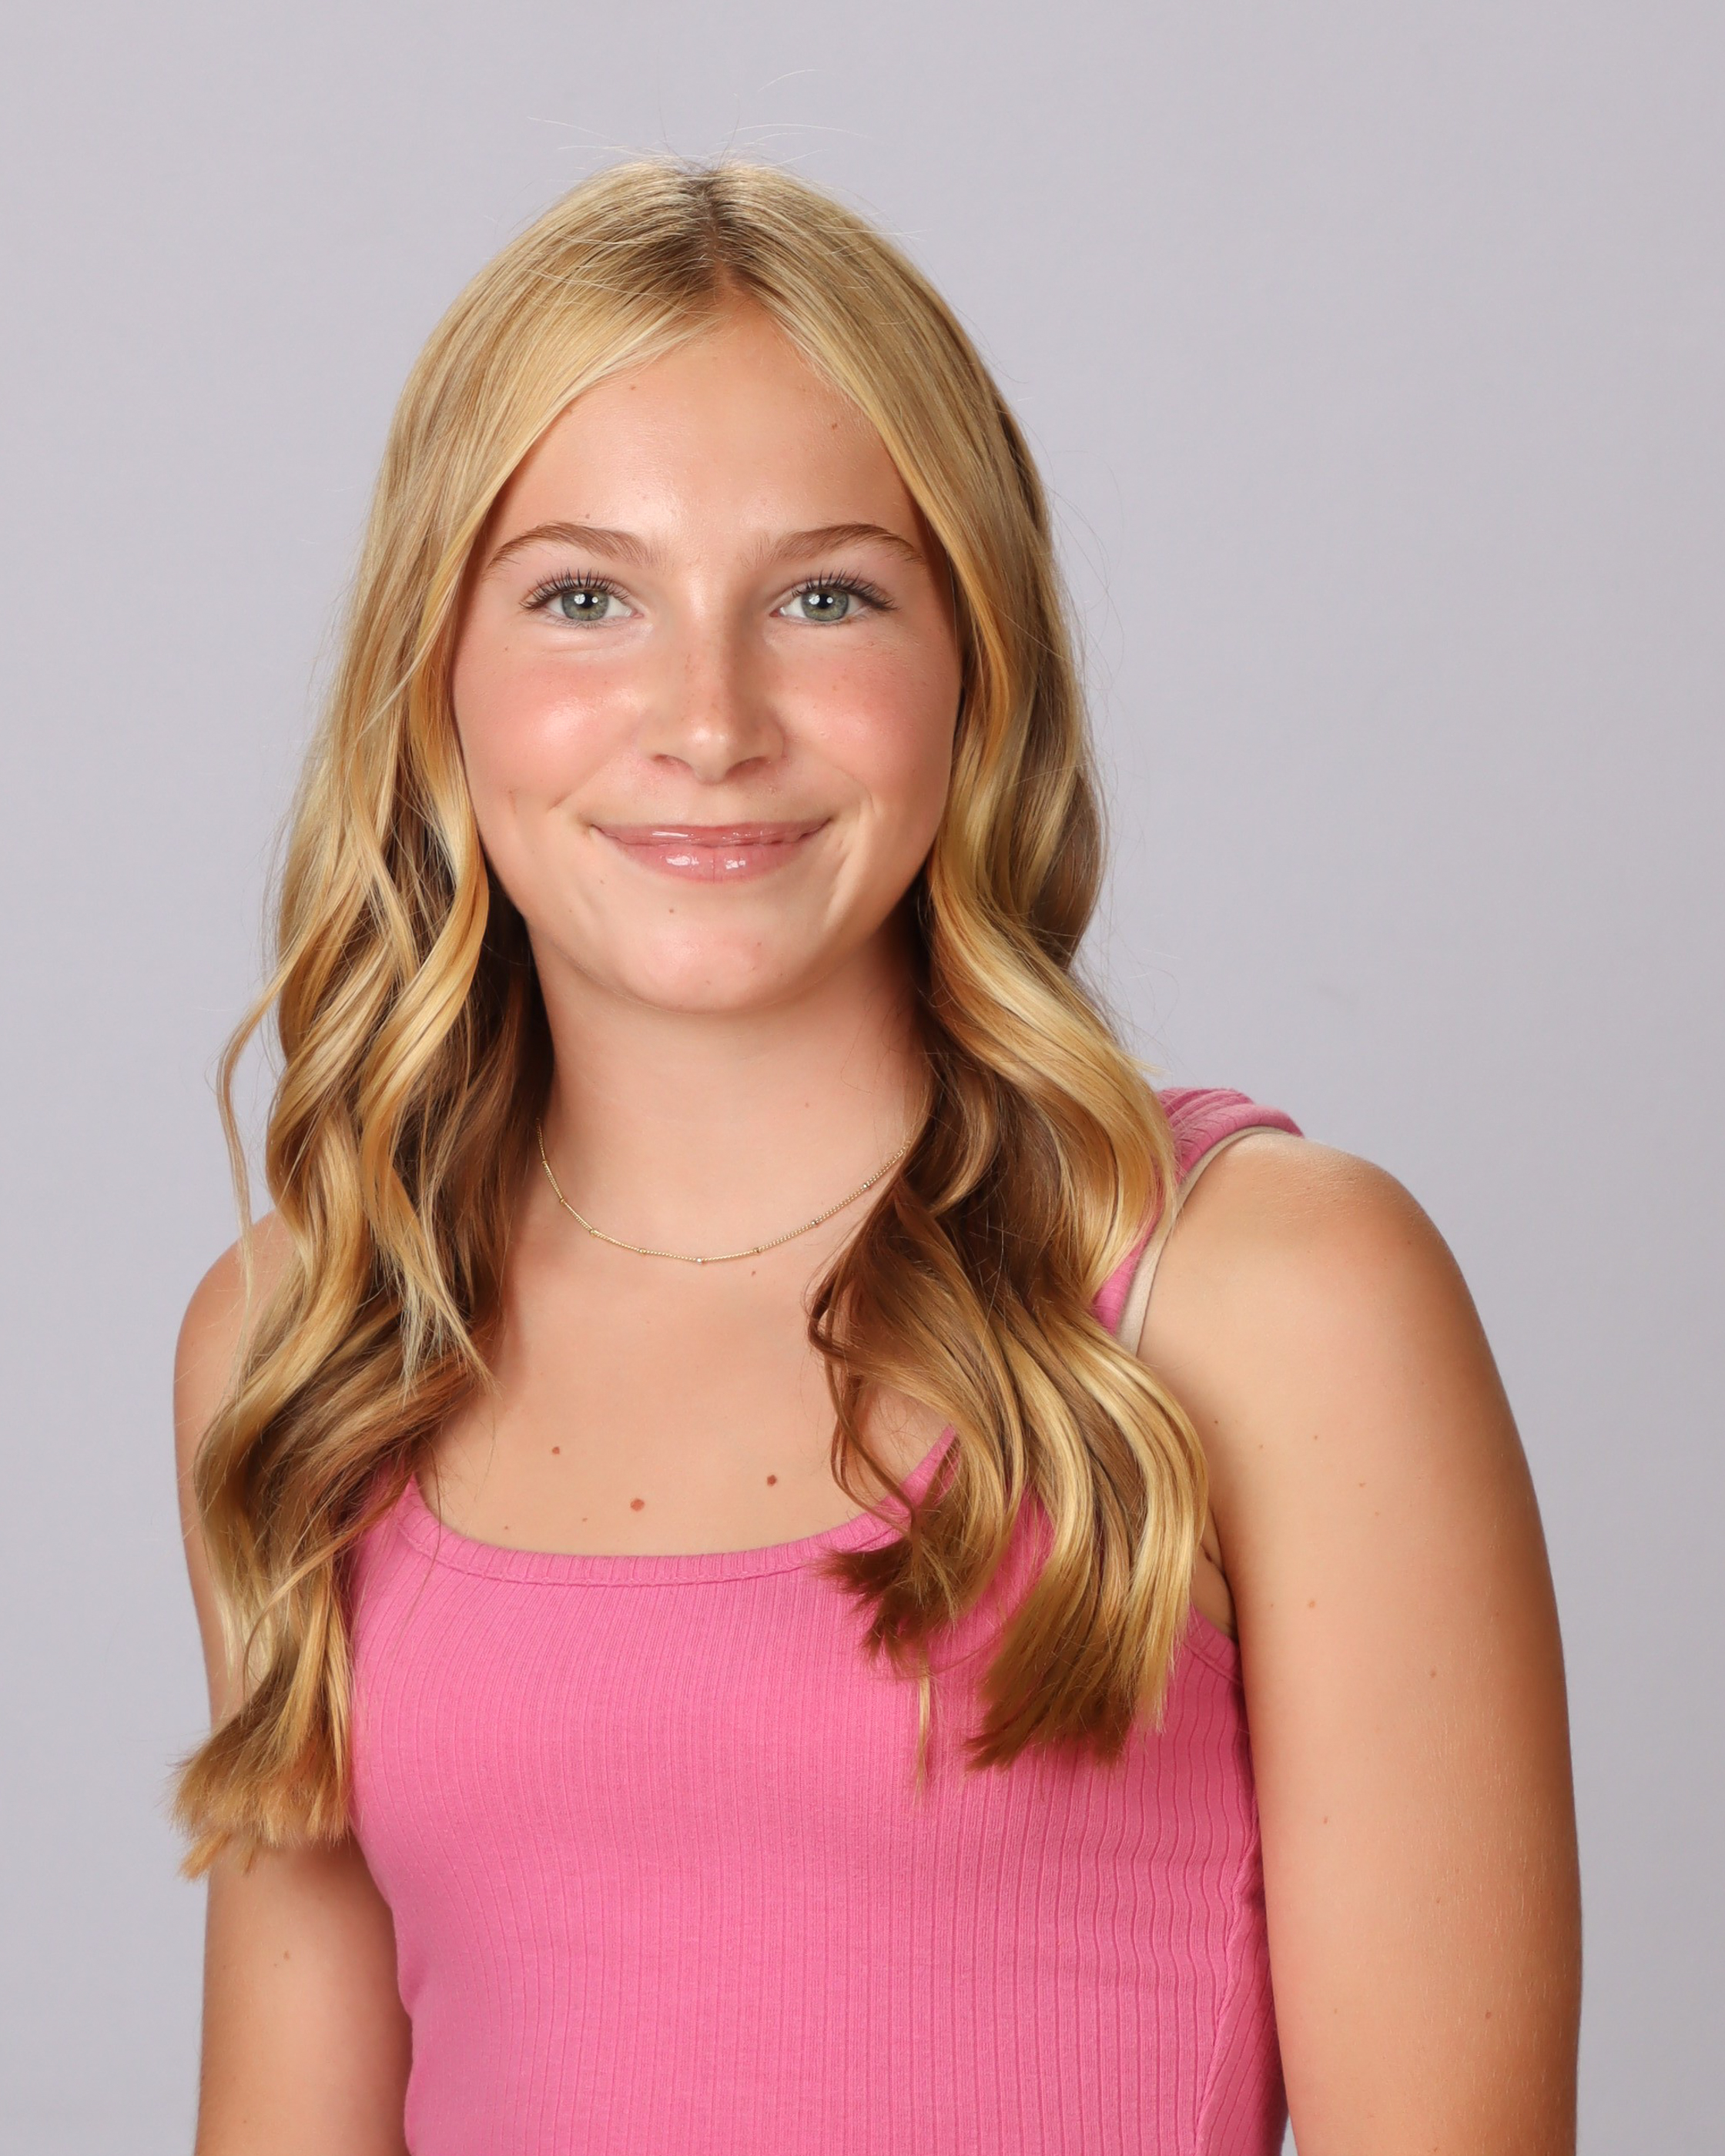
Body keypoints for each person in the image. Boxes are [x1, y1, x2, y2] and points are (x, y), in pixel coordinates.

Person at [170, 158, 1581, 2155]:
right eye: (585, 598)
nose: (709, 720)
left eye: (825, 596)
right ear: (434, 677)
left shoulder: (1271, 1303)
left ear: (973, 664)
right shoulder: (311, 1345)